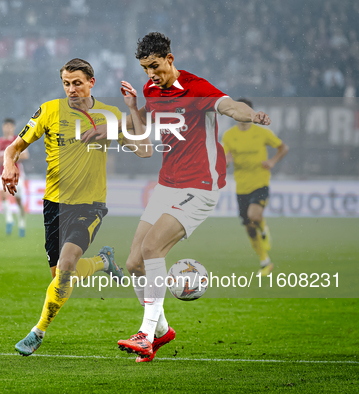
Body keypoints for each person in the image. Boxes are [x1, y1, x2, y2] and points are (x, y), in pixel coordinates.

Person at [117, 32, 272, 363]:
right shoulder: (150, 89)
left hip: (199, 186)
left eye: (155, 67)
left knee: (151, 248)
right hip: (167, 184)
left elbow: (229, 106)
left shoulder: (197, 88)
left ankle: (144, 334)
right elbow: (146, 119)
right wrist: (133, 108)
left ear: (170, 59)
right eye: (145, 69)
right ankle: (161, 333)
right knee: (133, 264)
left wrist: (252, 115)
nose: (151, 75)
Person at [2, 58, 152, 356]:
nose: (71, 89)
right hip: (54, 206)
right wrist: (8, 163)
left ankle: (37, 331)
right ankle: (103, 262)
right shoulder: (49, 110)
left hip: (89, 205)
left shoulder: (108, 115)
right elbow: (14, 147)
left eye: (77, 83)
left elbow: (145, 150)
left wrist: (133, 110)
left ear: (91, 82)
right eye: (66, 83)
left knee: (67, 265)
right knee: (60, 276)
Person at [222, 98, 289, 276]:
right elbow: (225, 158)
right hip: (241, 186)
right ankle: (265, 262)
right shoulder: (229, 135)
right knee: (249, 227)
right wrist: (226, 162)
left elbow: (283, 147)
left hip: (260, 181)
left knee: (254, 215)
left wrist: (272, 161)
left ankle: (263, 225)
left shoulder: (261, 132)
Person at [0, 118, 28, 237]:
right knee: (2, 195)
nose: (7, 128)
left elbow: (25, 156)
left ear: (13, 127)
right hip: (2, 173)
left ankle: (22, 223)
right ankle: (9, 220)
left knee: (18, 200)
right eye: (5, 126)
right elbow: (0, 156)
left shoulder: (19, 140)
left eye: (9, 126)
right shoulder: (0, 141)